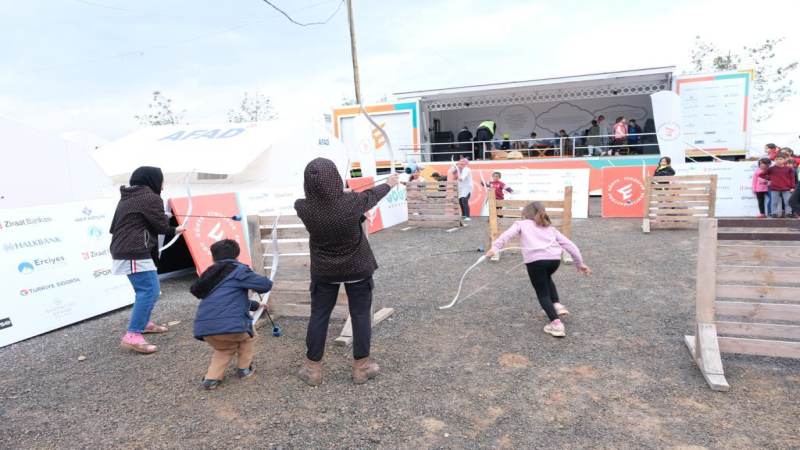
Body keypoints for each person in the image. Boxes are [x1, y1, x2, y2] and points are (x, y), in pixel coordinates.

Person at [294, 158, 399, 386]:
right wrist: (390, 182)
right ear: (335, 178)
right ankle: (361, 369)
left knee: (319, 316)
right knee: (361, 316)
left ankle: (313, 369)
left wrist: (341, 196)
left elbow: (328, 205)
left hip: (324, 271)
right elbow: (373, 195)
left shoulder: (302, 206)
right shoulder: (352, 202)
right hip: (358, 268)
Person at [485, 202, 591, 337]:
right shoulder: (550, 228)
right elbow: (570, 245)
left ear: (525, 214)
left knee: (543, 294)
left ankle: (556, 324)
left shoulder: (521, 224)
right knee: (547, 278)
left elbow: (507, 235)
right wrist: (580, 263)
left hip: (536, 262)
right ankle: (556, 305)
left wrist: (494, 248)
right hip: (554, 261)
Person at [110, 166, 185, 354]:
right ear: (152, 180)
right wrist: (175, 228)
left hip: (128, 249)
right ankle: (133, 335)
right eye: (162, 181)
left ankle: (143, 324)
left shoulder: (129, 196)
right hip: (133, 250)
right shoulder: (150, 197)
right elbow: (161, 226)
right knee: (149, 291)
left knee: (148, 290)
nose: (163, 185)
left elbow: (115, 227)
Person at [191, 239, 273, 390]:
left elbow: (228, 300)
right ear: (237, 255)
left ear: (213, 258)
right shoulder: (238, 270)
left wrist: (256, 305)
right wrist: (251, 275)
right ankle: (244, 369)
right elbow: (265, 285)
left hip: (205, 328)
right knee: (250, 336)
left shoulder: (209, 276)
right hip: (231, 327)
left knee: (224, 349)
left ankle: (211, 379)